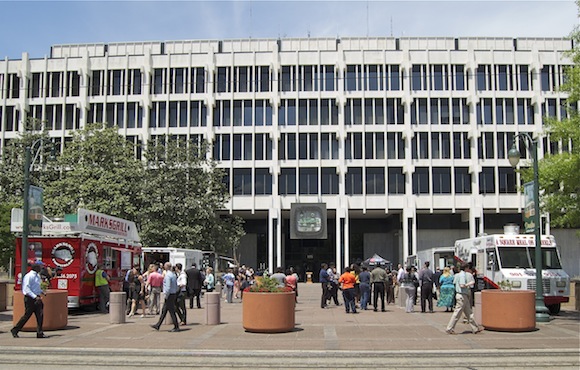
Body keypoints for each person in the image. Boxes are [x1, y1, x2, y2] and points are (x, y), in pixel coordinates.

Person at [12, 262, 47, 339]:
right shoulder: (29, 276)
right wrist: (35, 297)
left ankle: (39, 333)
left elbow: (36, 287)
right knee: (27, 315)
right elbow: (26, 289)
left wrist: (41, 292)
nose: (41, 268)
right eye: (40, 267)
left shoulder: (37, 276)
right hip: (30, 299)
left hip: (37, 298)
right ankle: (15, 329)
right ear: (36, 268)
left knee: (40, 315)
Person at [445, 263, 483, 334]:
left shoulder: (456, 275)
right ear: (466, 268)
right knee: (457, 312)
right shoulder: (466, 275)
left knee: (469, 312)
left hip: (459, 294)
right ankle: (449, 328)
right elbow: (464, 285)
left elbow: (454, 282)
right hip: (463, 295)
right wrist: (468, 284)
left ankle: (475, 328)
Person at [151, 262, 180, 332]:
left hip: (169, 295)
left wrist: (166, 295)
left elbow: (168, 287)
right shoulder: (173, 274)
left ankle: (176, 326)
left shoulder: (168, 275)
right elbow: (176, 285)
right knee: (164, 310)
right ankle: (158, 325)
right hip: (173, 294)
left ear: (166, 267)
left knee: (171, 311)